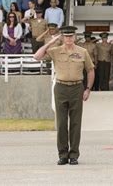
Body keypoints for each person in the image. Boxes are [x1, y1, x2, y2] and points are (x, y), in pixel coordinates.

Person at [34, 26, 95, 166]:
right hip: (60, 87)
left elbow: (90, 71)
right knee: (61, 123)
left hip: (76, 88)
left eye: (71, 36)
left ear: (74, 37)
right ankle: (62, 154)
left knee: (75, 123)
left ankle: (74, 155)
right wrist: (51, 42)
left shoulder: (82, 52)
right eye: (66, 36)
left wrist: (88, 89)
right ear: (62, 37)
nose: (68, 39)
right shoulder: (55, 51)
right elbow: (36, 56)